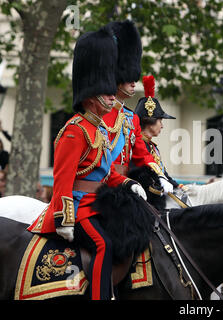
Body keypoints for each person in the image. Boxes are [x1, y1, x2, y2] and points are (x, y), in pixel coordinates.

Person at [27, 26, 147, 300]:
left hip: (97, 204)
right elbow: (63, 180)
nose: (112, 96)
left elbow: (105, 176)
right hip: (79, 208)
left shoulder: (99, 130)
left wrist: (128, 184)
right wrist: (64, 218)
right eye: (106, 93)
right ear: (91, 96)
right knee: (103, 244)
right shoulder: (74, 130)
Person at [102, 20, 173, 195]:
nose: (134, 83)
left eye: (135, 79)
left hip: (125, 188)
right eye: (129, 79)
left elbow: (142, 154)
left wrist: (160, 175)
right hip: (103, 187)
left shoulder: (131, 118)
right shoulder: (101, 114)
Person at [134, 75, 179, 191]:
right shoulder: (136, 144)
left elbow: (163, 172)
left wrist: (178, 186)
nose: (162, 126)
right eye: (160, 121)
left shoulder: (152, 147)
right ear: (150, 121)